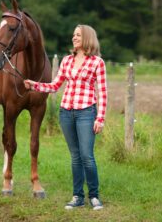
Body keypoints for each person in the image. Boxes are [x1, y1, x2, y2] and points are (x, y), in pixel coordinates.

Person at [24, 24, 107, 210]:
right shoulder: (67, 60)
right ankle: (77, 196)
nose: (74, 38)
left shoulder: (97, 63)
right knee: (75, 157)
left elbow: (102, 92)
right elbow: (54, 86)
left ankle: (94, 196)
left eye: (78, 35)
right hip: (66, 113)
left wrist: (100, 118)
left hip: (87, 112)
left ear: (87, 38)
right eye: (73, 35)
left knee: (87, 156)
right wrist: (34, 85)